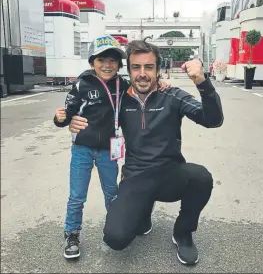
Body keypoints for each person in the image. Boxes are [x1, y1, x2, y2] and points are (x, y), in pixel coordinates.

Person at [68, 40, 224, 265]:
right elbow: (92, 108)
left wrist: (202, 83)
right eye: (136, 67)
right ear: (128, 70)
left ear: (158, 70)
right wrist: (73, 121)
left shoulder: (172, 95)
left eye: (149, 67)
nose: (142, 74)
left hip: (169, 173)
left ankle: (183, 232)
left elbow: (213, 120)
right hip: (136, 177)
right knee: (116, 238)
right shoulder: (119, 99)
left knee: (201, 177)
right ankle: (143, 213)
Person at [54, 35, 170, 259]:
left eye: (112, 61)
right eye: (101, 60)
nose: (107, 65)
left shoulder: (124, 85)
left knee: (112, 193)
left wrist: (161, 83)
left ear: (119, 64)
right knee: (77, 195)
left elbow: (145, 91)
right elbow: (67, 113)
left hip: (109, 150)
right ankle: (72, 233)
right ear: (91, 62)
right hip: (82, 150)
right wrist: (63, 120)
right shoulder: (82, 83)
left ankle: (119, 227)